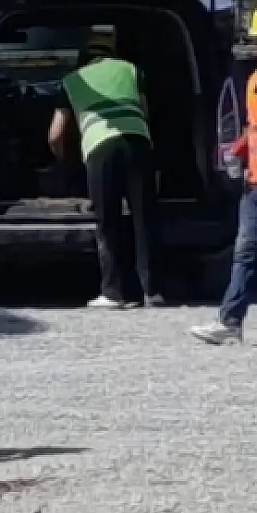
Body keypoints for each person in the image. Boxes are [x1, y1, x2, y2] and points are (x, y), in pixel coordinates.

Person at [193, 2, 257, 344]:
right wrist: (235, 148)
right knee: (245, 253)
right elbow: (256, 125)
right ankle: (229, 323)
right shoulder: (256, 81)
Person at [50, 34, 161, 309]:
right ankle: (152, 291)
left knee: (107, 220)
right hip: (138, 143)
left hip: (101, 148)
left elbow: (55, 135)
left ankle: (112, 293)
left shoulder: (72, 80)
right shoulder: (132, 70)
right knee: (143, 219)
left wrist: (65, 162)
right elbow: (144, 112)